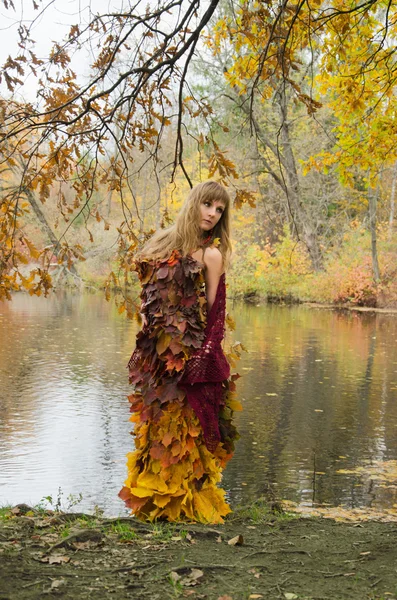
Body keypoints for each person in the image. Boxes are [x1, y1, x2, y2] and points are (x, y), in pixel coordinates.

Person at [119, 180, 240, 523]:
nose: (213, 214)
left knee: (184, 429)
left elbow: (216, 312)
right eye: (208, 205)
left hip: (191, 353)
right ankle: (154, 502)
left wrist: (204, 356)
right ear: (194, 203)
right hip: (158, 353)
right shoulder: (161, 243)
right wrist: (147, 338)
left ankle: (185, 506)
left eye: (220, 210)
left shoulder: (212, 255)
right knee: (157, 425)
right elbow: (148, 298)